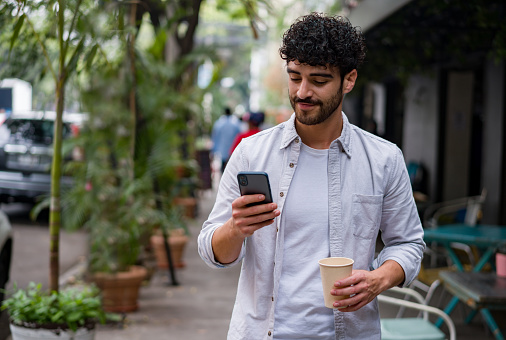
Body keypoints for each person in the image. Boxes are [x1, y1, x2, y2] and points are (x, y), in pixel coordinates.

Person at [198, 12, 425, 340]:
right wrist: (236, 229)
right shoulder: (252, 154)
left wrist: (380, 278)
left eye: (318, 80)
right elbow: (212, 250)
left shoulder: (383, 159)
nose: (302, 92)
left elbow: (408, 243)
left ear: (349, 80)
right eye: (295, 77)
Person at [211, 107, 241, 173]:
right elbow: (239, 136)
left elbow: (215, 137)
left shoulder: (218, 124)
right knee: (233, 170)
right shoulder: (236, 124)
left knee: (223, 170)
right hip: (233, 151)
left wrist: (213, 150)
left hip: (222, 151)